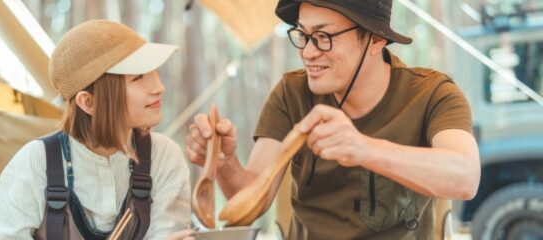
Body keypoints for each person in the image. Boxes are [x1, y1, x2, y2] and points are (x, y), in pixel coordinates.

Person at [185, 0, 481, 239]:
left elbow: (465, 177)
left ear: (376, 38)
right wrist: (224, 162)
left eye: (323, 37)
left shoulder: (431, 93)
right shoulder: (292, 93)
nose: (308, 52)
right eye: (302, 35)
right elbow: (252, 203)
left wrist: (363, 149)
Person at [0, 20, 190, 239]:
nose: (158, 87)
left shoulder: (163, 156)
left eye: (153, 71)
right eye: (138, 78)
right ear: (88, 102)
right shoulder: (35, 163)